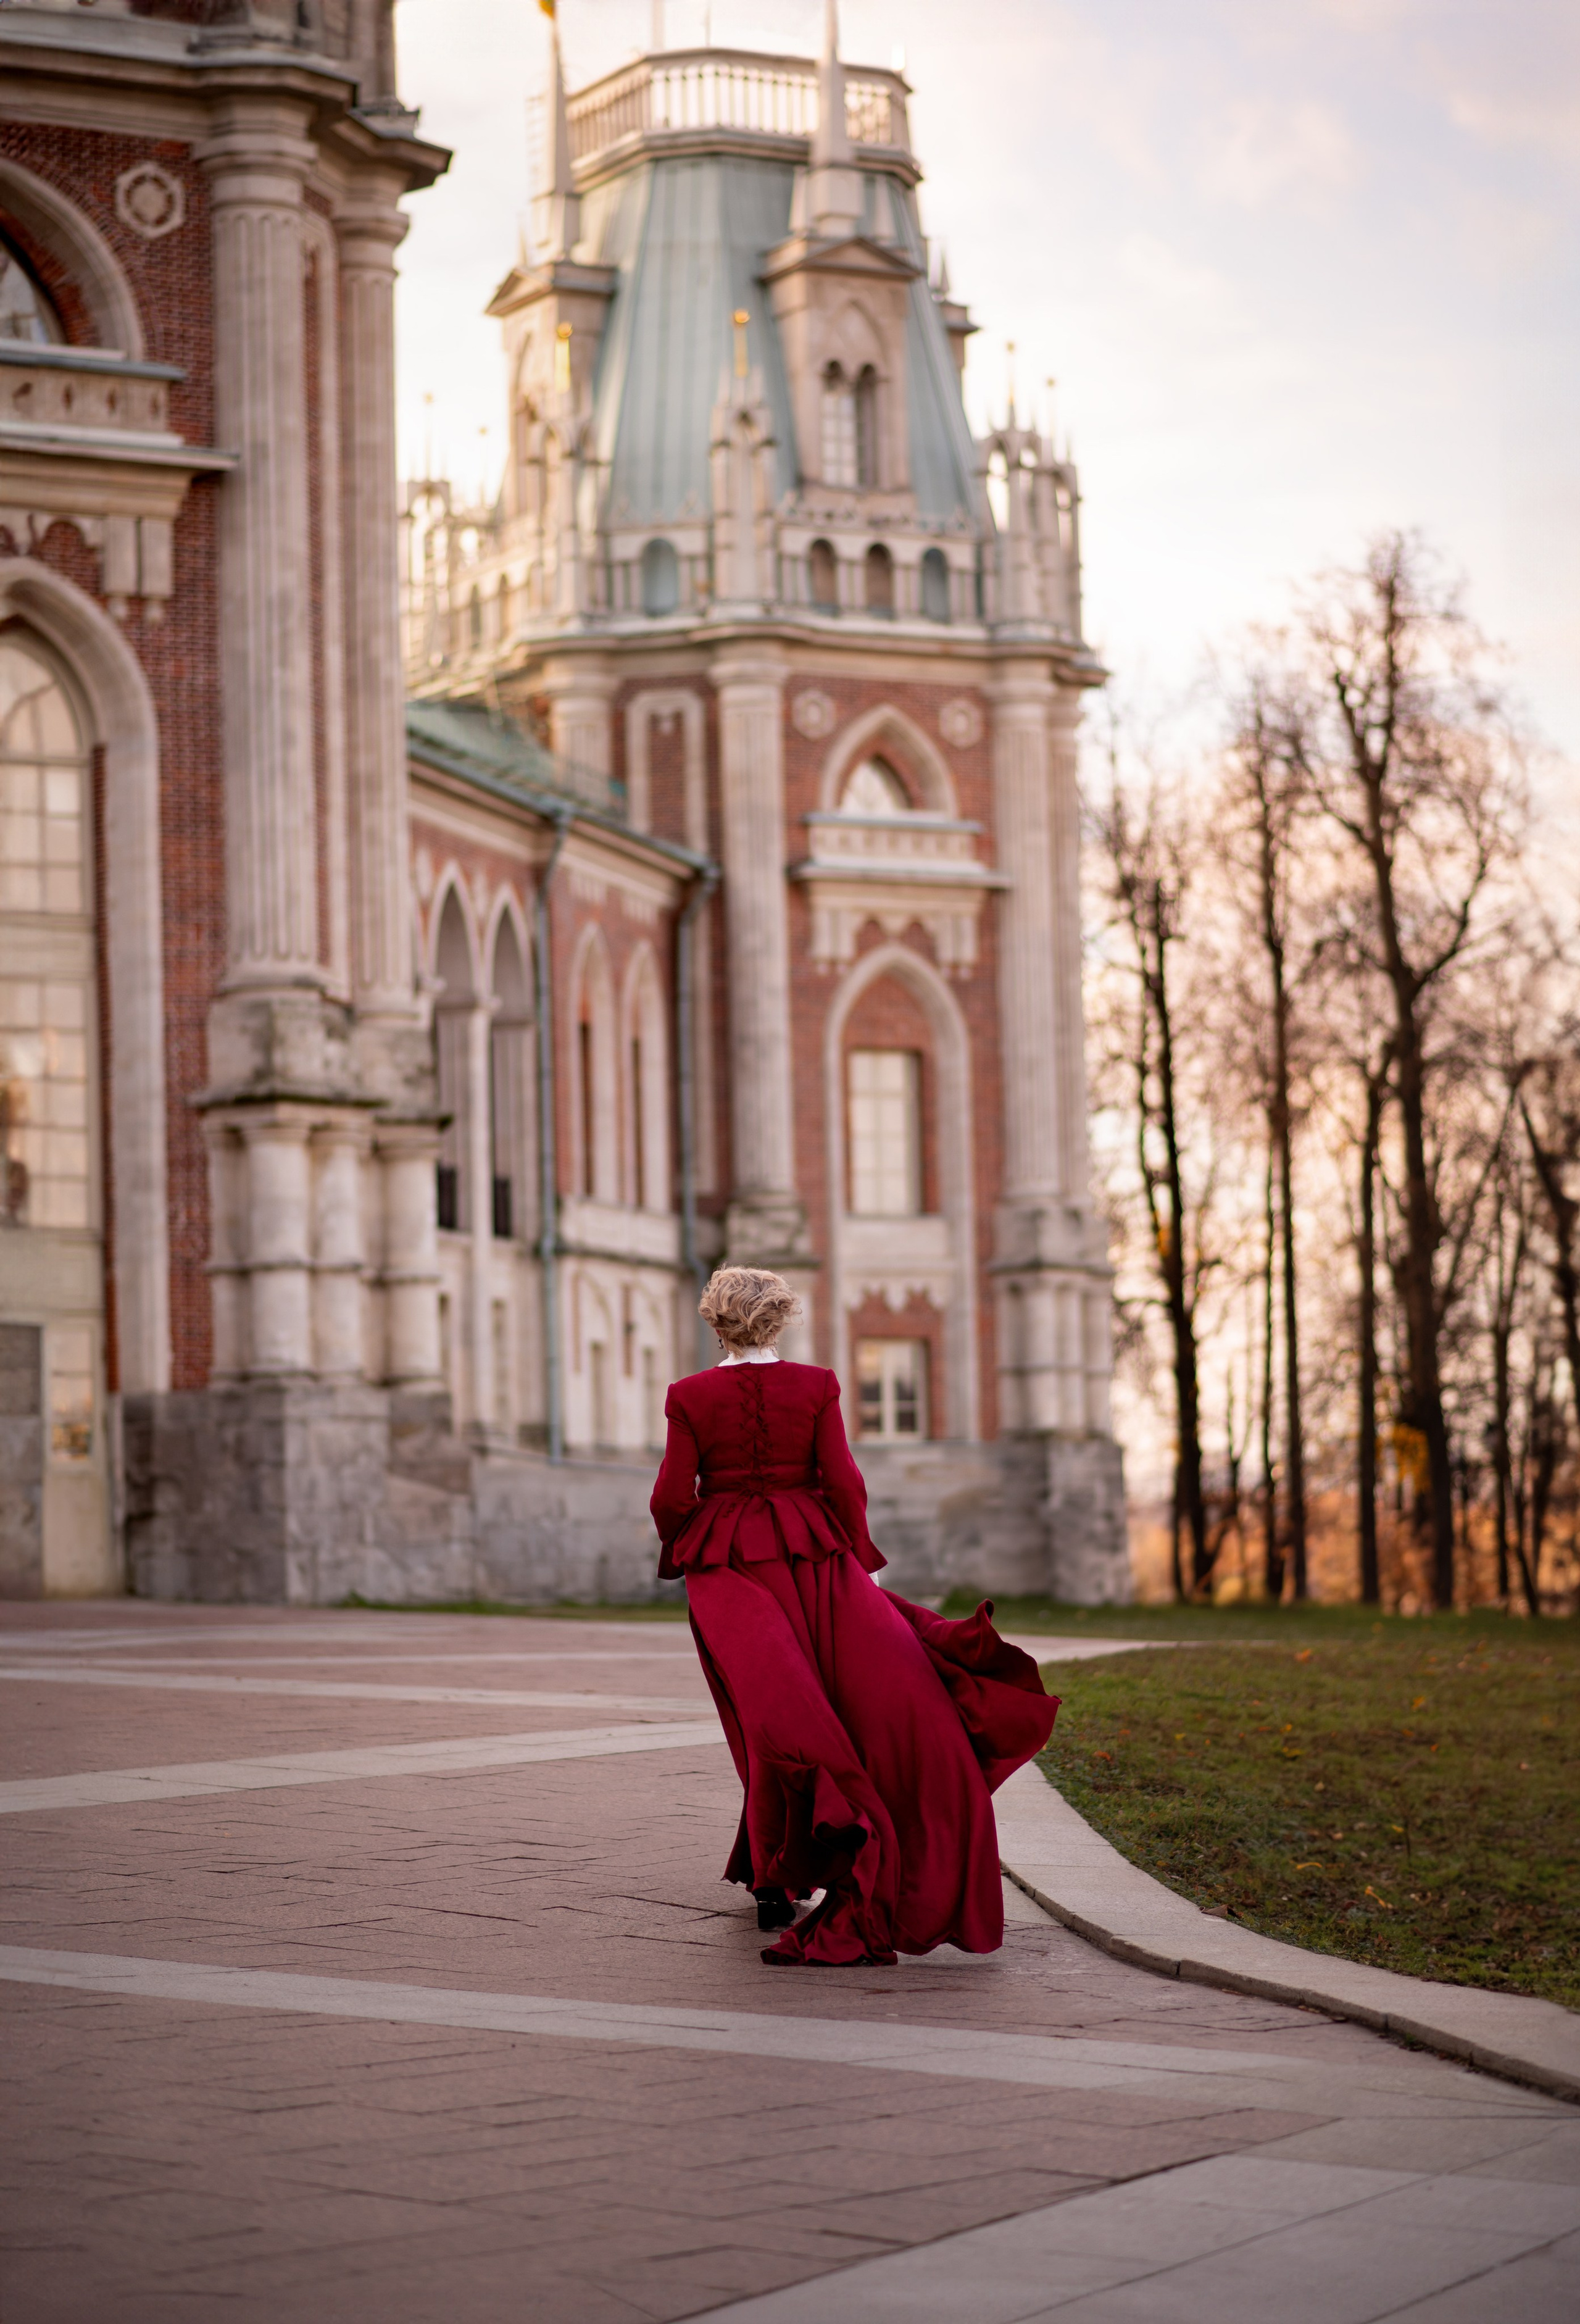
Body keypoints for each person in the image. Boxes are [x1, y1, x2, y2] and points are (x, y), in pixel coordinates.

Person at [649, 1265, 1059, 1967]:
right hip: (817, 1561)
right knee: (832, 1712)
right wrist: (858, 1560)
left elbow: (668, 1496)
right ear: (779, 1320)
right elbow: (842, 1479)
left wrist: (687, 1545)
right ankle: (787, 1868)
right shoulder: (817, 1387)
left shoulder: (688, 1396)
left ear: (714, 1323)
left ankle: (775, 1882)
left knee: (769, 1721)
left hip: (729, 1568)